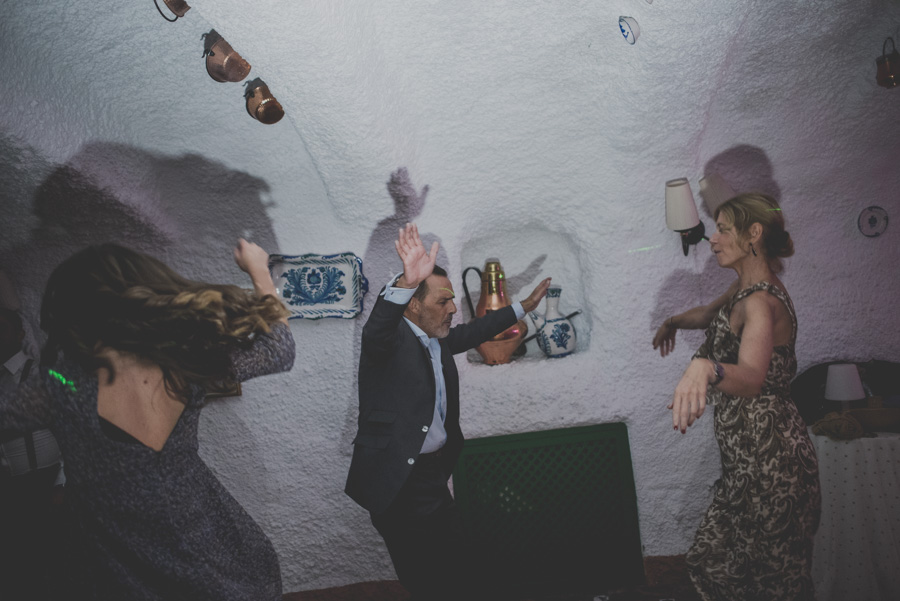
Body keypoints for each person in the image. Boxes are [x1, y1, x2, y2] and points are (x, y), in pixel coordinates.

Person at [0, 240, 295, 600]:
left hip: (112, 558)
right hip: (197, 534)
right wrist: (258, 270)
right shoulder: (185, 362)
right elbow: (278, 350)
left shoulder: (60, 382)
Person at [345, 223, 551, 600]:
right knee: (440, 577)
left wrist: (524, 307)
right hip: (399, 484)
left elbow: (476, 330)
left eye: (453, 299)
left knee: (446, 575)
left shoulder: (438, 341)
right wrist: (406, 281)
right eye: (443, 301)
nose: (454, 308)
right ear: (413, 304)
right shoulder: (386, 344)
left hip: (430, 476)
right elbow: (376, 329)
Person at [652, 193, 820, 600]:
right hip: (748, 466)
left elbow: (752, 378)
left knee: (774, 583)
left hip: (773, 466)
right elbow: (710, 316)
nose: (713, 238)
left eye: (724, 229)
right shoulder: (744, 291)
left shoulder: (761, 302)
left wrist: (707, 368)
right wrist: (674, 320)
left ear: (753, 234)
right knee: (715, 562)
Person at [0, 306, 66, 600]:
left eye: (1, 329)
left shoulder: (43, 373)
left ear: (20, 334)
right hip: (11, 490)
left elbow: (71, 428)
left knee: (53, 565)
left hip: (45, 482)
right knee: (19, 569)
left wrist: (62, 483)